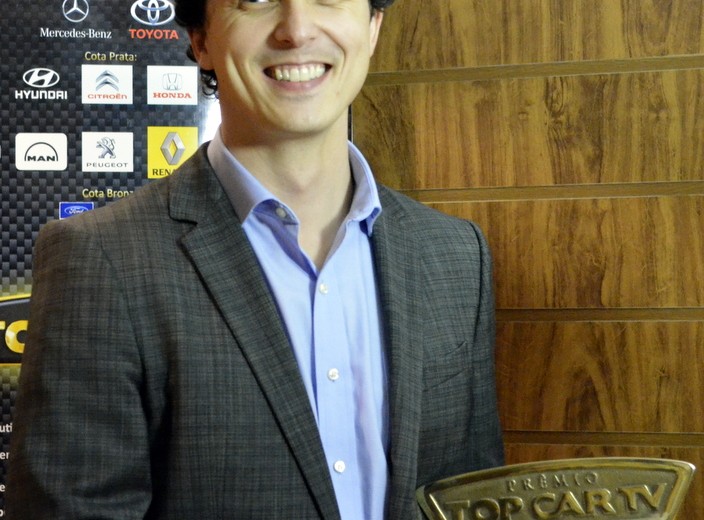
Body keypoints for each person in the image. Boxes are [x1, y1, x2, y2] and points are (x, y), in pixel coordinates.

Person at [5, 0, 504, 518]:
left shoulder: (456, 257)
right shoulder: (102, 259)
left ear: (373, 25)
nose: (297, 29)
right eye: (256, 0)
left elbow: (475, 501)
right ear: (201, 39)